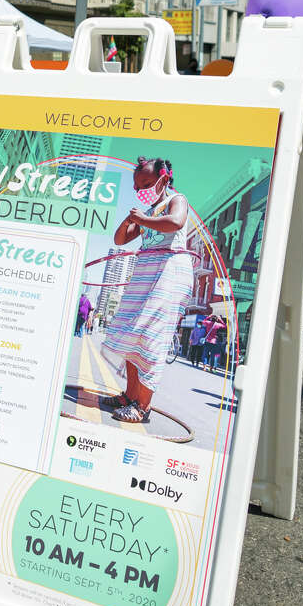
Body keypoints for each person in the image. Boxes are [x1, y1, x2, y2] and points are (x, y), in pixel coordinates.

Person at [98, 157, 195, 424]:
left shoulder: (177, 200)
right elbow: (120, 240)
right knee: (131, 333)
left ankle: (142, 406)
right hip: (145, 273)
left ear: (165, 178)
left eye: (147, 183)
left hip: (168, 272)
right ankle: (128, 396)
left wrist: (143, 219)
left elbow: (175, 223)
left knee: (151, 335)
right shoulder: (149, 212)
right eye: (137, 185)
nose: (141, 189)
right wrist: (131, 220)